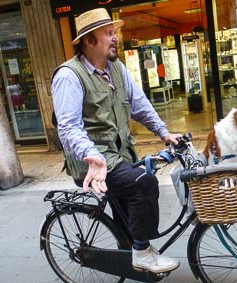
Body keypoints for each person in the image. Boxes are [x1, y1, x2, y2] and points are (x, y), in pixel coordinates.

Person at [51, 8, 181, 274]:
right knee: (144, 184)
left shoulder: (116, 68)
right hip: (93, 161)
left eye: (114, 32)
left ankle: (130, 254)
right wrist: (92, 156)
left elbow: (140, 105)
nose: (115, 38)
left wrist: (164, 132)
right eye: (108, 33)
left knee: (130, 199)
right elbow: (68, 128)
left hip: (119, 155)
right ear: (89, 41)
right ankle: (142, 253)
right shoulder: (69, 76)